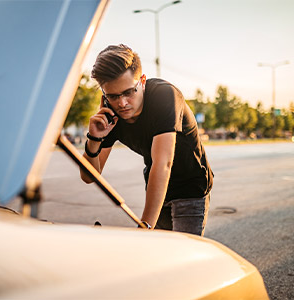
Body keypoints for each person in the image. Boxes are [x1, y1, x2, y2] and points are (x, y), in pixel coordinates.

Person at [80, 44, 213, 236]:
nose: (122, 103)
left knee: (180, 255)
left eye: (128, 92)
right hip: (157, 188)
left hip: (191, 188)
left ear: (142, 80)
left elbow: (163, 163)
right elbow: (89, 176)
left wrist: (146, 227)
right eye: (112, 96)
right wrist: (94, 138)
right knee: (158, 256)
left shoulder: (164, 95)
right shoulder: (111, 115)